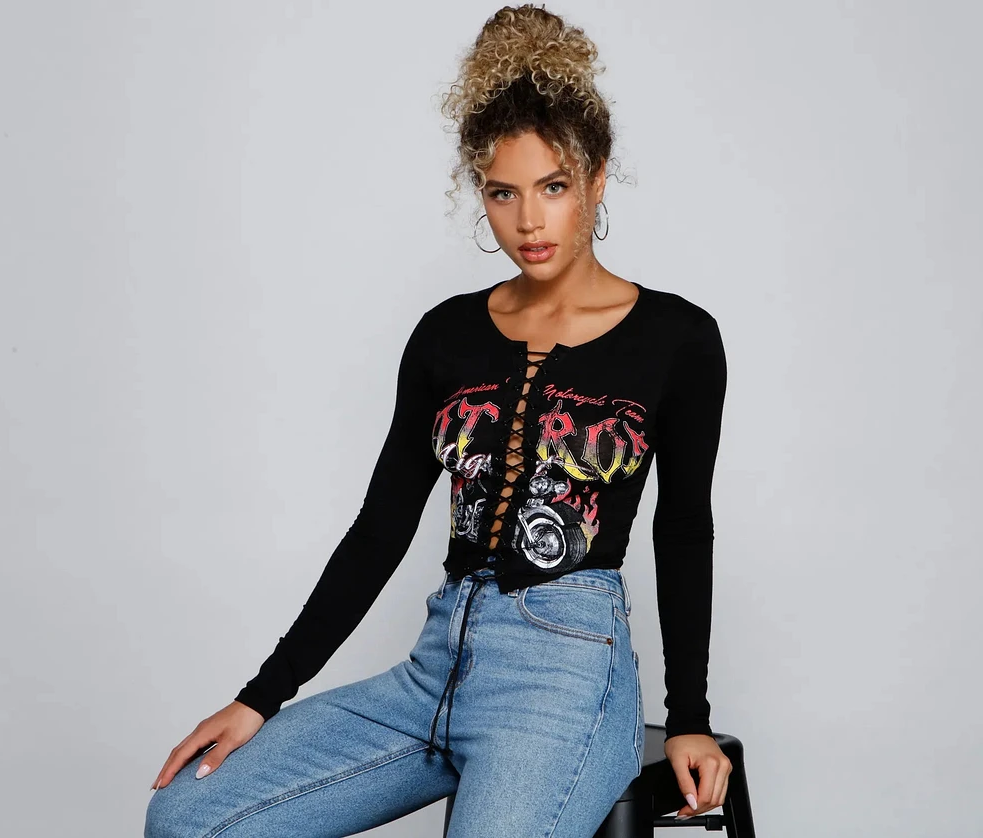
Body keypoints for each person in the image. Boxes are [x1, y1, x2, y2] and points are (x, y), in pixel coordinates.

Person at [145, 5, 733, 836]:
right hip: (435, 670)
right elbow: (380, 527)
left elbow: (684, 531)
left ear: (597, 178)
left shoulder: (677, 338)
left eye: (553, 187)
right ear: (480, 193)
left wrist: (690, 717)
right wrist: (261, 696)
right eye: (503, 192)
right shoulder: (446, 335)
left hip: (564, 679)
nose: (528, 221)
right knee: (187, 816)